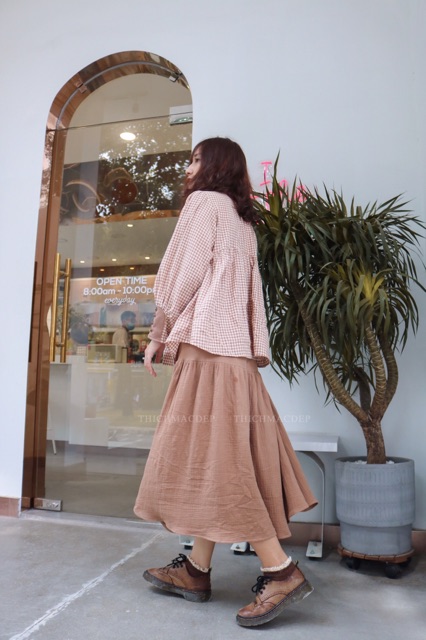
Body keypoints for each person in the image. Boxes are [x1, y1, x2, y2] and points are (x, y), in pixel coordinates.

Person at [134, 137, 317, 628]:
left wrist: (157, 335)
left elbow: (182, 274)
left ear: (214, 166)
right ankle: (196, 569)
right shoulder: (241, 219)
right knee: (217, 457)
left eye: (196, 159)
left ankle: (280, 571)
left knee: (223, 463)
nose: (188, 168)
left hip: (207, 354)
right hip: (235, 358)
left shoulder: (203, 204)